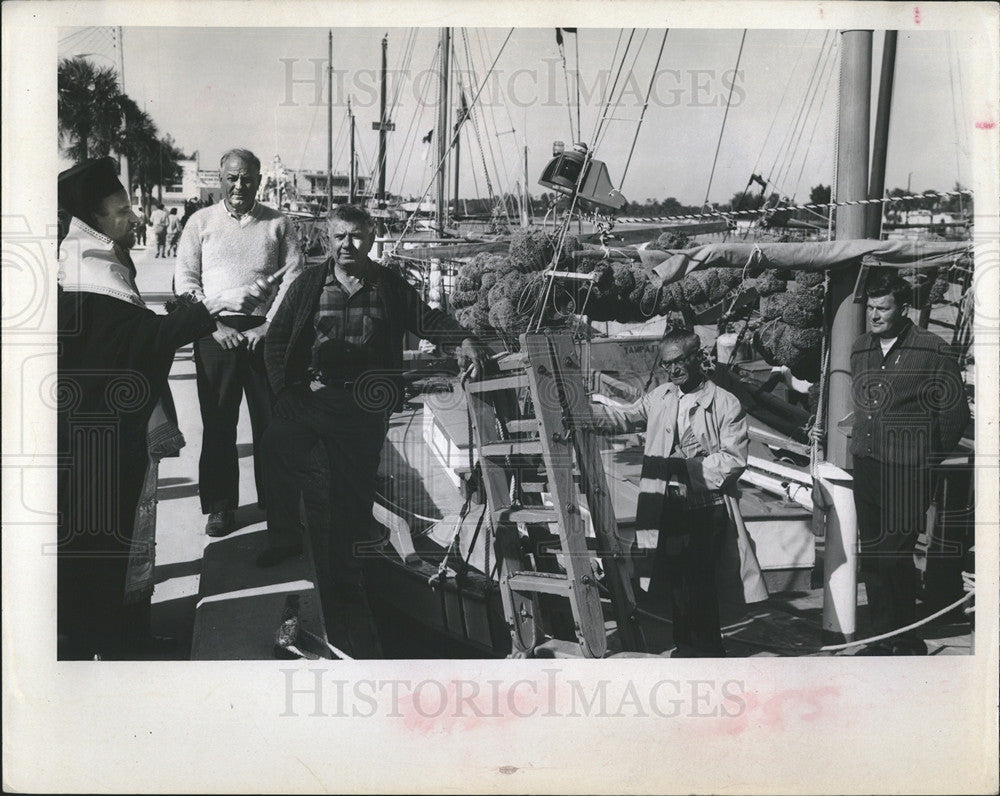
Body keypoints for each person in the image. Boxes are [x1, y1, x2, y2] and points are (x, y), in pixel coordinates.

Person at [260, 203, 489, 657]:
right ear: (327, 239)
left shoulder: (387, 286)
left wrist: (463, 340)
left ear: (371, 237)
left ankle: (347, 585)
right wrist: (285, 395)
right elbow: (277, 341)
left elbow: (427, 319)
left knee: (352, 497)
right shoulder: (308, 284)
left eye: (357, 237)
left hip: (365, 405)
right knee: (275, 453)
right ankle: (284, 539)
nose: (348, 245)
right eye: (339, 237)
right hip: (315, 397)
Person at [56, 157, 262, 659]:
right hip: (97, 443)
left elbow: (136, 337)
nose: (134, 218)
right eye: (122, 210)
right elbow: (138, 346)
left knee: (124, 543)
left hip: (109, 433)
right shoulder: (86, 276)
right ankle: (102, 644)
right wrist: (206, 308)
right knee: (102, 549)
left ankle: (126, 634)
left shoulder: (99, 265)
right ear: (93, 222)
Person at [591, 329, 766, 657]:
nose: (673, 370)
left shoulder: (726, 404)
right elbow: (628, 417)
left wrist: (686, 465)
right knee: (676, 585)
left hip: (704, 508)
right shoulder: (661, 395)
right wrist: (584, 417)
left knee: (699, 585)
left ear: (697, 356)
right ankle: (687, 651)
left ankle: (709, 654)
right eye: (667, 364)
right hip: (665, 507)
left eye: (679, 361)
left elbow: (733, 461)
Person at [175, 148, 303, 538]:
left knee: (272, 426)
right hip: (216, 334)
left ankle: (276, 504)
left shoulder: (278, 224)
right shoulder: (200, 222)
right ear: (221, 179)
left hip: (265, 335)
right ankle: (219, 506)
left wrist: (267, 328)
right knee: (218, 424)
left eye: (247, 177)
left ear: (259, 180)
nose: (239, 185)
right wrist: (212, 326)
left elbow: (294, 279)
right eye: (232, 177)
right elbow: (185, 281)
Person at [850, 269, 970, 655]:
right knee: (872, 558)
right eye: (871, 308)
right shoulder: (861, 348)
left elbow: (954, 415)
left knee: (893, 557)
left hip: (908, 472)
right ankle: (885, 638)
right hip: (867, 466)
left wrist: (925, 459)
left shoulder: (931, 349)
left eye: (882, 308)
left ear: (903, 309)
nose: (874, 316)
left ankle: (903, 639)